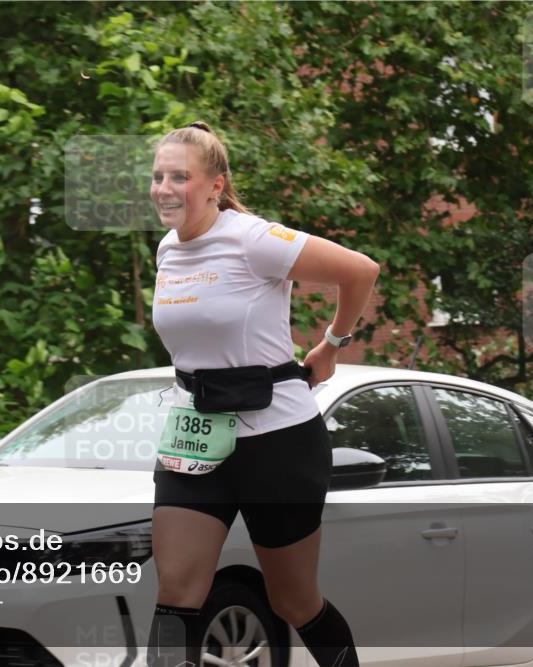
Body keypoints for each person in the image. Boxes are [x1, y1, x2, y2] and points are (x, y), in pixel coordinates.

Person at [147, 121, 379, 667]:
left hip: (277, 439)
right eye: (158, 176)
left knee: (294, 601)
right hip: (196, 434)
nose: (163, 188)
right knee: (175, 595)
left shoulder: (252, 238)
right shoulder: (166, 249)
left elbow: (361, 271)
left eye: (179, 176)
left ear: (214, 185)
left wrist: (332, 343)